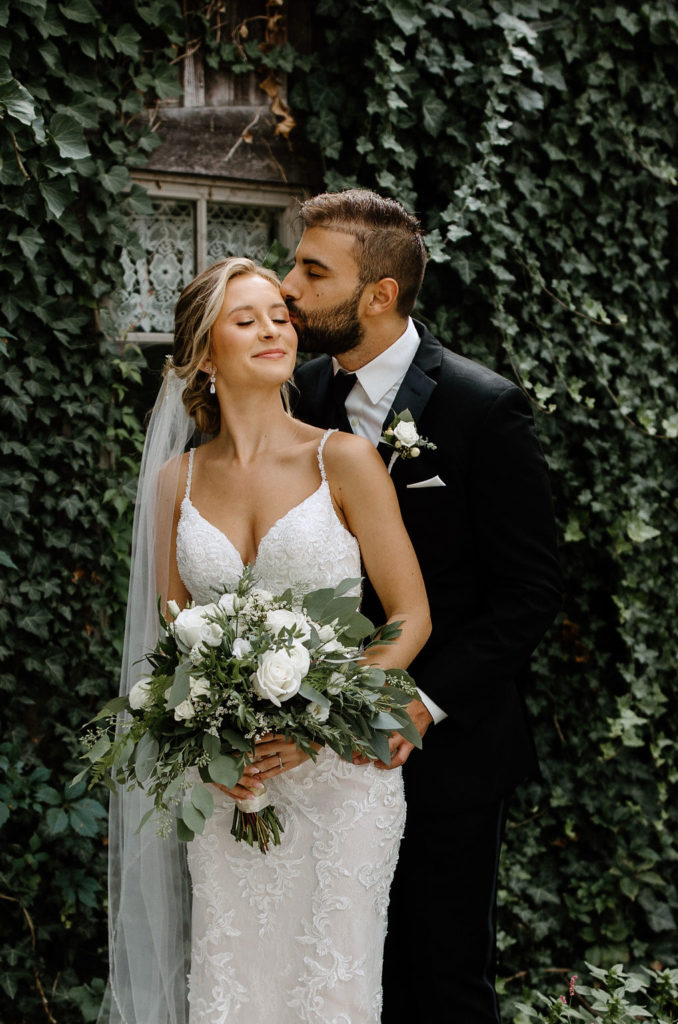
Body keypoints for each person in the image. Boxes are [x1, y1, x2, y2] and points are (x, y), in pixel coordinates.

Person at [101, 256, 431, 1024]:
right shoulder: (174, 482)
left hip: (341, 778)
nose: (273, 330)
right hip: (229, 785)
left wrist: (320, 720)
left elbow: (409, 616)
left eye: (279, 316)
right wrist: (207, 746)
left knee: (333, 990)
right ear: (204, 353)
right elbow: (176, 641)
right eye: (244, 320)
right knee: (235, 986)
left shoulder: (341, 458)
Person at [283, 189, 562, 1023]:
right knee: (329, 973)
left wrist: (423, 698)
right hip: (310, 750)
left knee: (436, 982)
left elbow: (531, 592)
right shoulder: (293, 396)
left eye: (310, 270)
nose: (287, 287)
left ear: (379, 295)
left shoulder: (482, 408)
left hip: (450, 751)